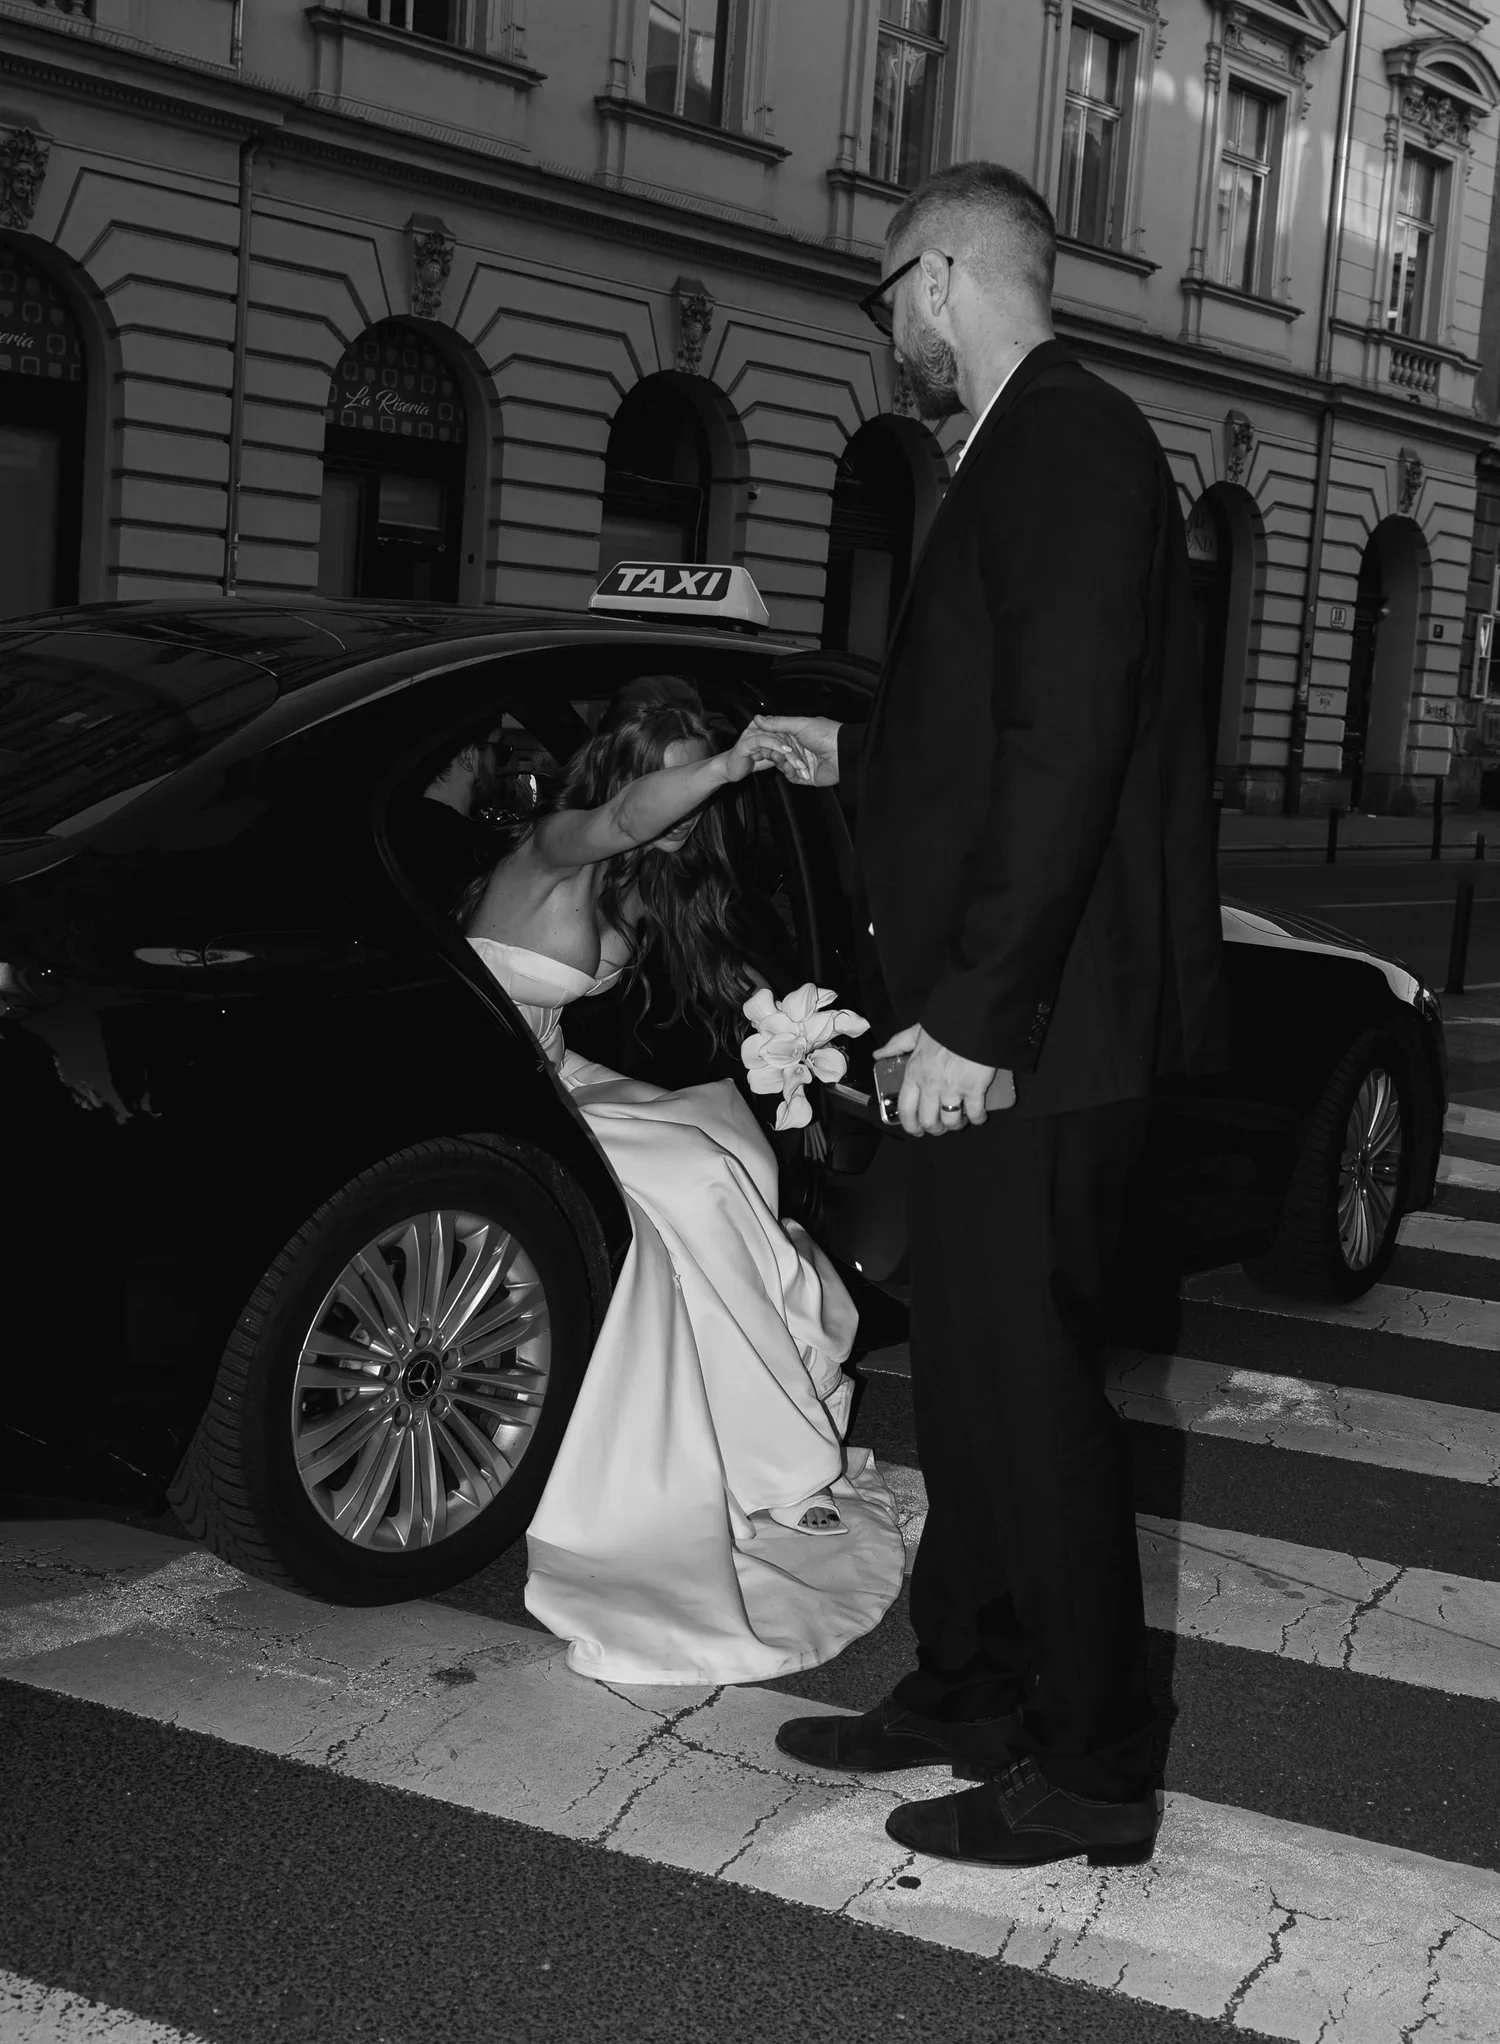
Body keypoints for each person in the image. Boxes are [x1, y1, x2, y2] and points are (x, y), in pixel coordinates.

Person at [757, 162, 1227, 1867]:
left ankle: (1094, 1767)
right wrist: (854, 764)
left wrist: (979, 1013)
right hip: (983, 1012)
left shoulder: (1076, 441)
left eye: (888, 295)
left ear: (946, 274)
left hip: (1034, 1028)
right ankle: (966, 1679)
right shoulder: (1020, 451)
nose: (888, 330)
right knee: (964, 1376)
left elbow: (1064, 748)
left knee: (1034, 1396)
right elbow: (993, 729)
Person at [460, 691, 904, 1684]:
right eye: (673, 778)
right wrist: (735, 762)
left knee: (730, 1149)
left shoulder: (640, 876)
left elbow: (717, 967)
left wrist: (786, 1029)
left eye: (695, 780)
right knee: (698, 1180)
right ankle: (764, 1463)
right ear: (629, 777)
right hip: (488, 1092)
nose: (688, 807)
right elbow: (624, 817)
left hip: (553, 1077)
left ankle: (776, 1453)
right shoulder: (559, 843)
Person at [387, 728, 504, 916]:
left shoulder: (393, 826)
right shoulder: (473, 849)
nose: (498, 764)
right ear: (469, 757)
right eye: (498, 750)